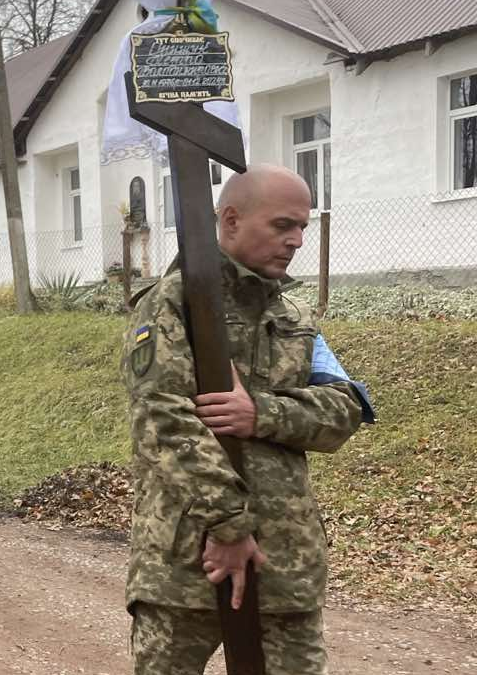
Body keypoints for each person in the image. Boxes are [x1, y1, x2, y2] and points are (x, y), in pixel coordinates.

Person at [122, 164, 373, 675]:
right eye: (283, 225)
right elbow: (163, 421)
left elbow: (346, 410)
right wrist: (229, 526)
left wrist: (261, 412)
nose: (298, 240)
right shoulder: (173, 305)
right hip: (189, 561)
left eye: (303, 227)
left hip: (286, 563)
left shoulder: (296, 319)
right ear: (231, 220)